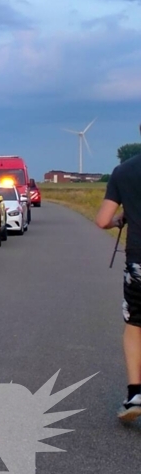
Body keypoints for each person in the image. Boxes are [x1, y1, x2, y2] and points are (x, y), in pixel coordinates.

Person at [96, 122, 141, 421]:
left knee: (135, 325)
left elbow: (102, 220)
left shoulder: (123, 171)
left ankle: (135, 394)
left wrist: (120, 220)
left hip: (138, 263)